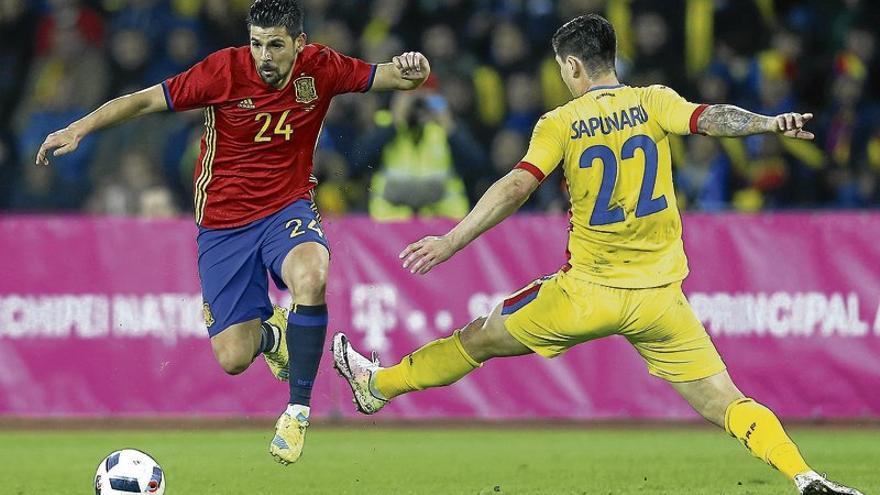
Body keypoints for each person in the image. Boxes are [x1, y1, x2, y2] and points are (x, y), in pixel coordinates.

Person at [332, 14, 863, 495]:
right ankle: (805, 476)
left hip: (586, 294)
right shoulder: (654, 100)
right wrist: (768, 123)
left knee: (478, 338)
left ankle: (378, 385)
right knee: (728, 402)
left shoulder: (558, 123)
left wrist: (451, 240)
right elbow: (711, 117)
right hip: (660, 301)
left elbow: (517, 187)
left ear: (572, 66)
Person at [35, 0, 430, 465]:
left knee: (313, 274)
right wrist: (79, 128)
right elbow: (143, 100)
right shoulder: (222, 71)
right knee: (234, 357)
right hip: (223, 225)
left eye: (276, 45)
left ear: (299, 44)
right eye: (257, 43)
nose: (264, 55)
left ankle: (297, 412)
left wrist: (415, 69)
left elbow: (394, 77)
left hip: (287, 207)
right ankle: (272, 338)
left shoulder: (322, 67)